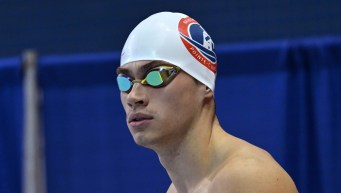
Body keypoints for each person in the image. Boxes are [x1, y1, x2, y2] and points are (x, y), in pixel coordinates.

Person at [116, 12, 298, 193]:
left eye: (156, 75)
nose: (133, 96)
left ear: (204, 84)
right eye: (126, 80)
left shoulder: (250, 178)